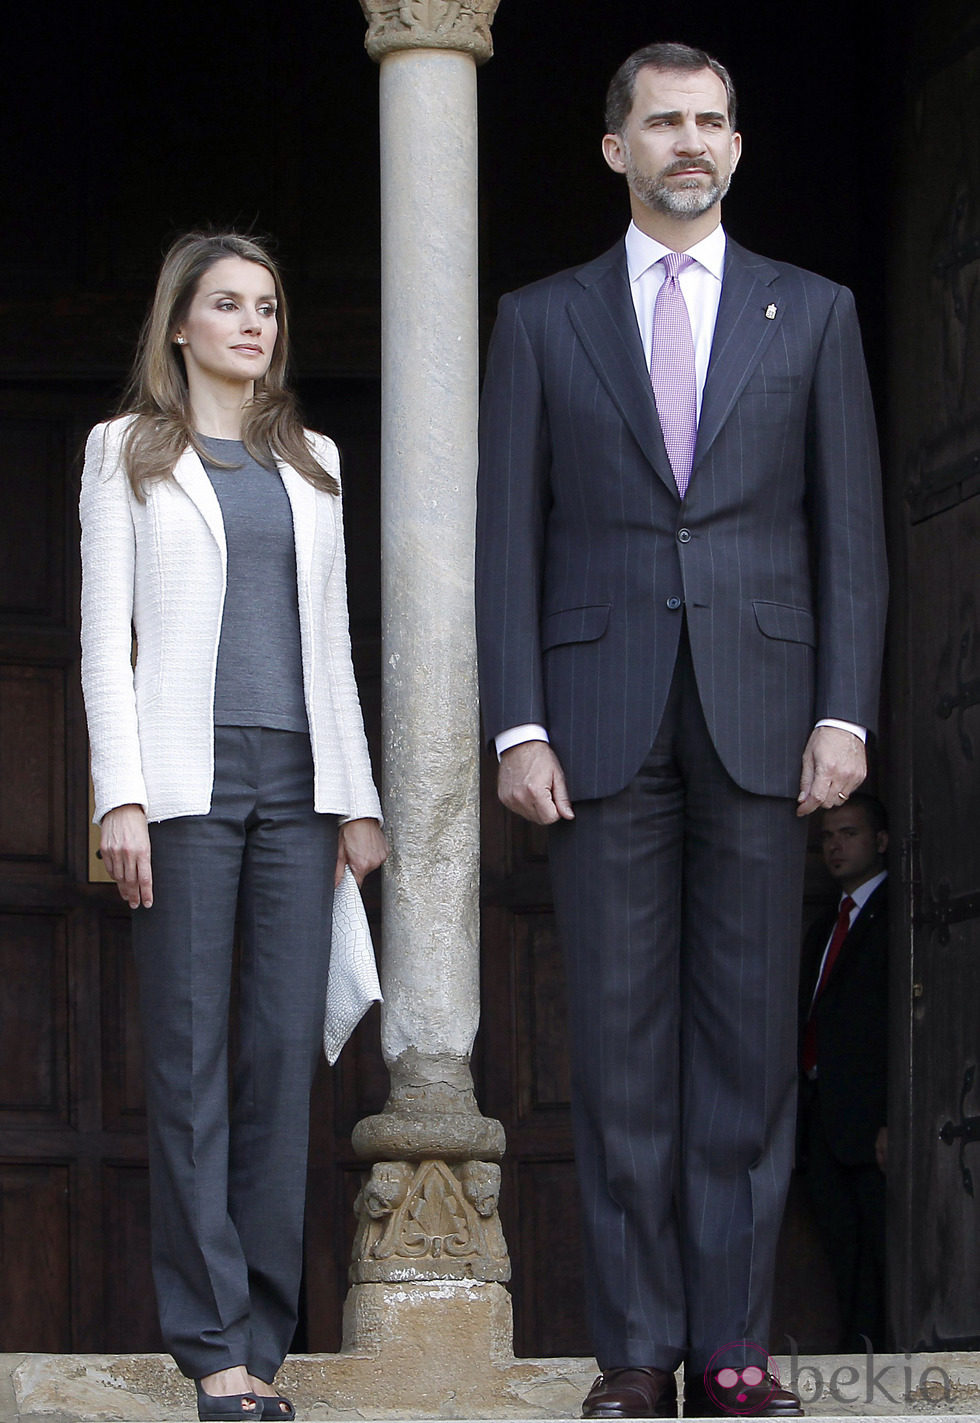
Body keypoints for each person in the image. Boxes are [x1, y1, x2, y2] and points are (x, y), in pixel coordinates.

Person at [475, 41, 887, 1420]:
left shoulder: (813, 312)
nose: (690, 142)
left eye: (712, 120)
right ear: (617, 148)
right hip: (596, 722)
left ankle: (733, 1350)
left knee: (750, 1055)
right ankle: (637, 1353)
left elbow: (850, 530)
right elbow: (504, 541)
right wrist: (518, 719)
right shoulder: (540, 320)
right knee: (621, 1048)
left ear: (736, 145)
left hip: (768, 717)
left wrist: (844, 708)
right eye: (664, 122)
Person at [79, 232, 387, 1422]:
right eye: (227, 305)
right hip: (187, 785)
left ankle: (262, 1333)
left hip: (300, 787)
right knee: (191, 1066)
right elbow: (108, 643)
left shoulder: (313, 460)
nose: (253, 324)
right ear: (179, 325)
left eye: (266, 305)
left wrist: (357, 799)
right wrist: (121, 795)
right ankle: (212, 1346)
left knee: (277, 1066)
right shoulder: (126, 454)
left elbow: (334, 645)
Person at [798, 794, 889, 1351]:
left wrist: (891, 1119)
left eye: (849, 833)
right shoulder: (824, 928)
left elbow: (898, 1028)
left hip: (871, 1124)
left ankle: (890, 1354)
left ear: (880, 841)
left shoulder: (896, 918)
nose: (835, 846)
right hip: (821, 1122)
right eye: (828, 836)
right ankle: (858, 1351)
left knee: (883, 1249)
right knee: (840, 1247)